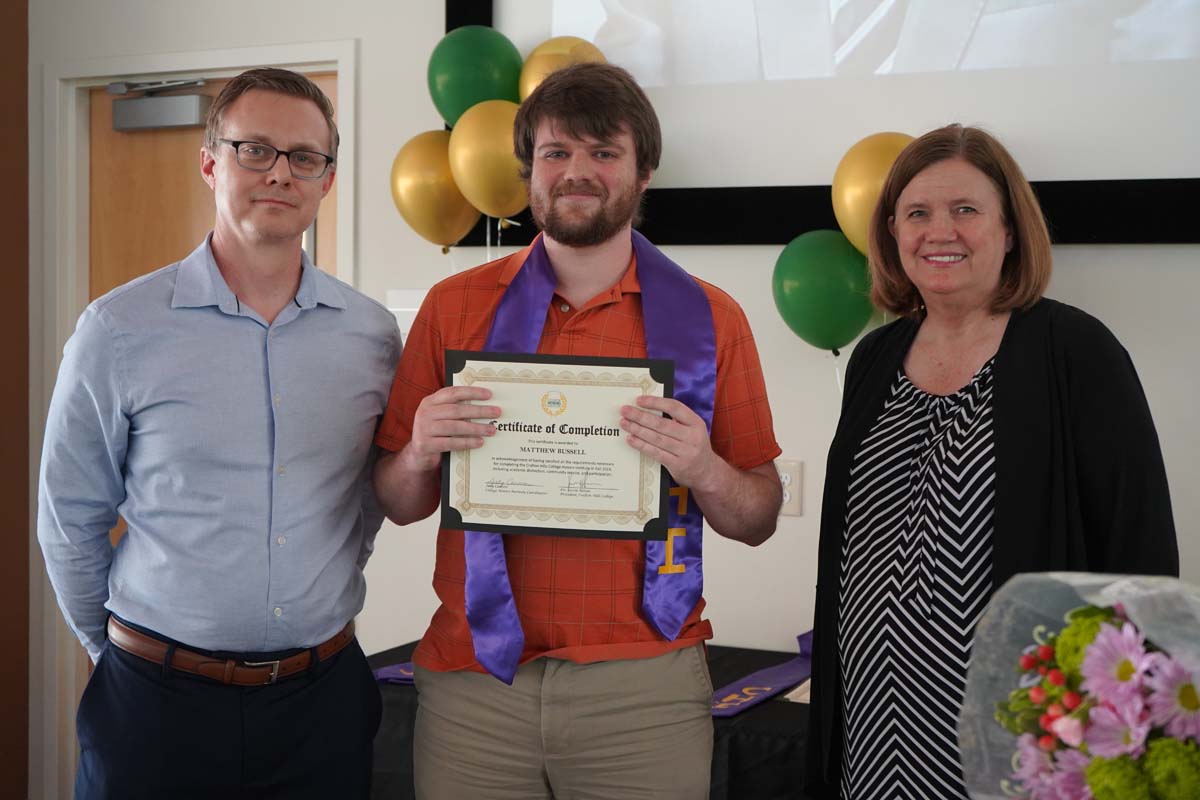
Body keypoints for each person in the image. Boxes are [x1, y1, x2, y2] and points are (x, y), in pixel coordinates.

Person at [372, 62, 783, 800]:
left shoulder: (712, 319)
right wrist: (417, 451)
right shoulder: (452, 306)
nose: (577, 172)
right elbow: (400, 501)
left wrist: (707, 468)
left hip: (644, 691)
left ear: (643, 172)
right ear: (529, 172)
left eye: (604, 152)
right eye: (556, 153)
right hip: (474, 687)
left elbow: (756, 516)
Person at [37, 68, 400, 799]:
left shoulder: (371, 335)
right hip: (155, 704)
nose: (280, 173)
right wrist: (114, 654)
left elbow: (361, 499)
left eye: (305, 157)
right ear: (211, 163)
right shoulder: (119, 328)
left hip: (320, 704)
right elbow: (69, 518)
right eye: (254, 149)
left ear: (327, 180)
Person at [803, 123, 1178, 799]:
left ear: (1010, 230)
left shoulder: (1077, 354)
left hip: (1019, 752)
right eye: (917, 214)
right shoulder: (874, 360)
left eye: (965, 211)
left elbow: (1140, 559)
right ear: (892, 234)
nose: (938, 231)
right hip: (872, 741)